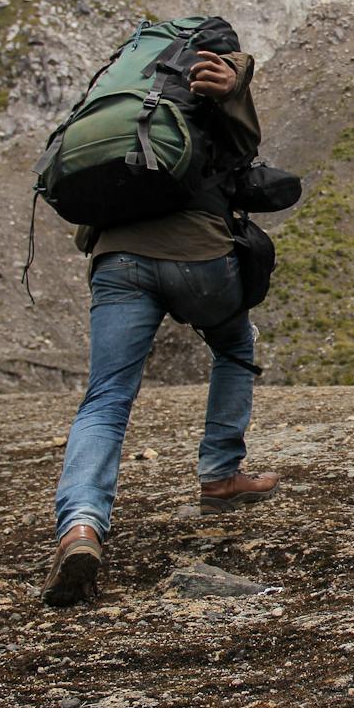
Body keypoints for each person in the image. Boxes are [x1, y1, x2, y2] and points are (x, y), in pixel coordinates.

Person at [42, 47, 276, 606]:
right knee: (234, 345)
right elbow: (243, 157)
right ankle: (220, 473)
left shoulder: (116, 95)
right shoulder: (208, 87)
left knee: (105, 399)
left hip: (117, 259)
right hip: (198, 254)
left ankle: (80, 525)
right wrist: (233, 96)